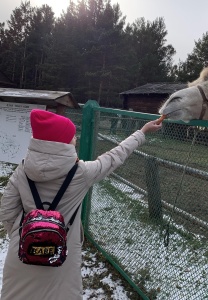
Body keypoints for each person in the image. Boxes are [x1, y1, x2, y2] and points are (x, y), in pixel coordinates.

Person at [0, 109, 162, 300]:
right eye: (71, 136)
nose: (75, 138)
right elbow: (114, 157)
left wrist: (25, 235)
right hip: (61, 258)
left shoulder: (23, 169)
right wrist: (141, 132)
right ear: (62, 143)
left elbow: (7, 211)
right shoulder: (81, 173)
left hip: (22, 254)